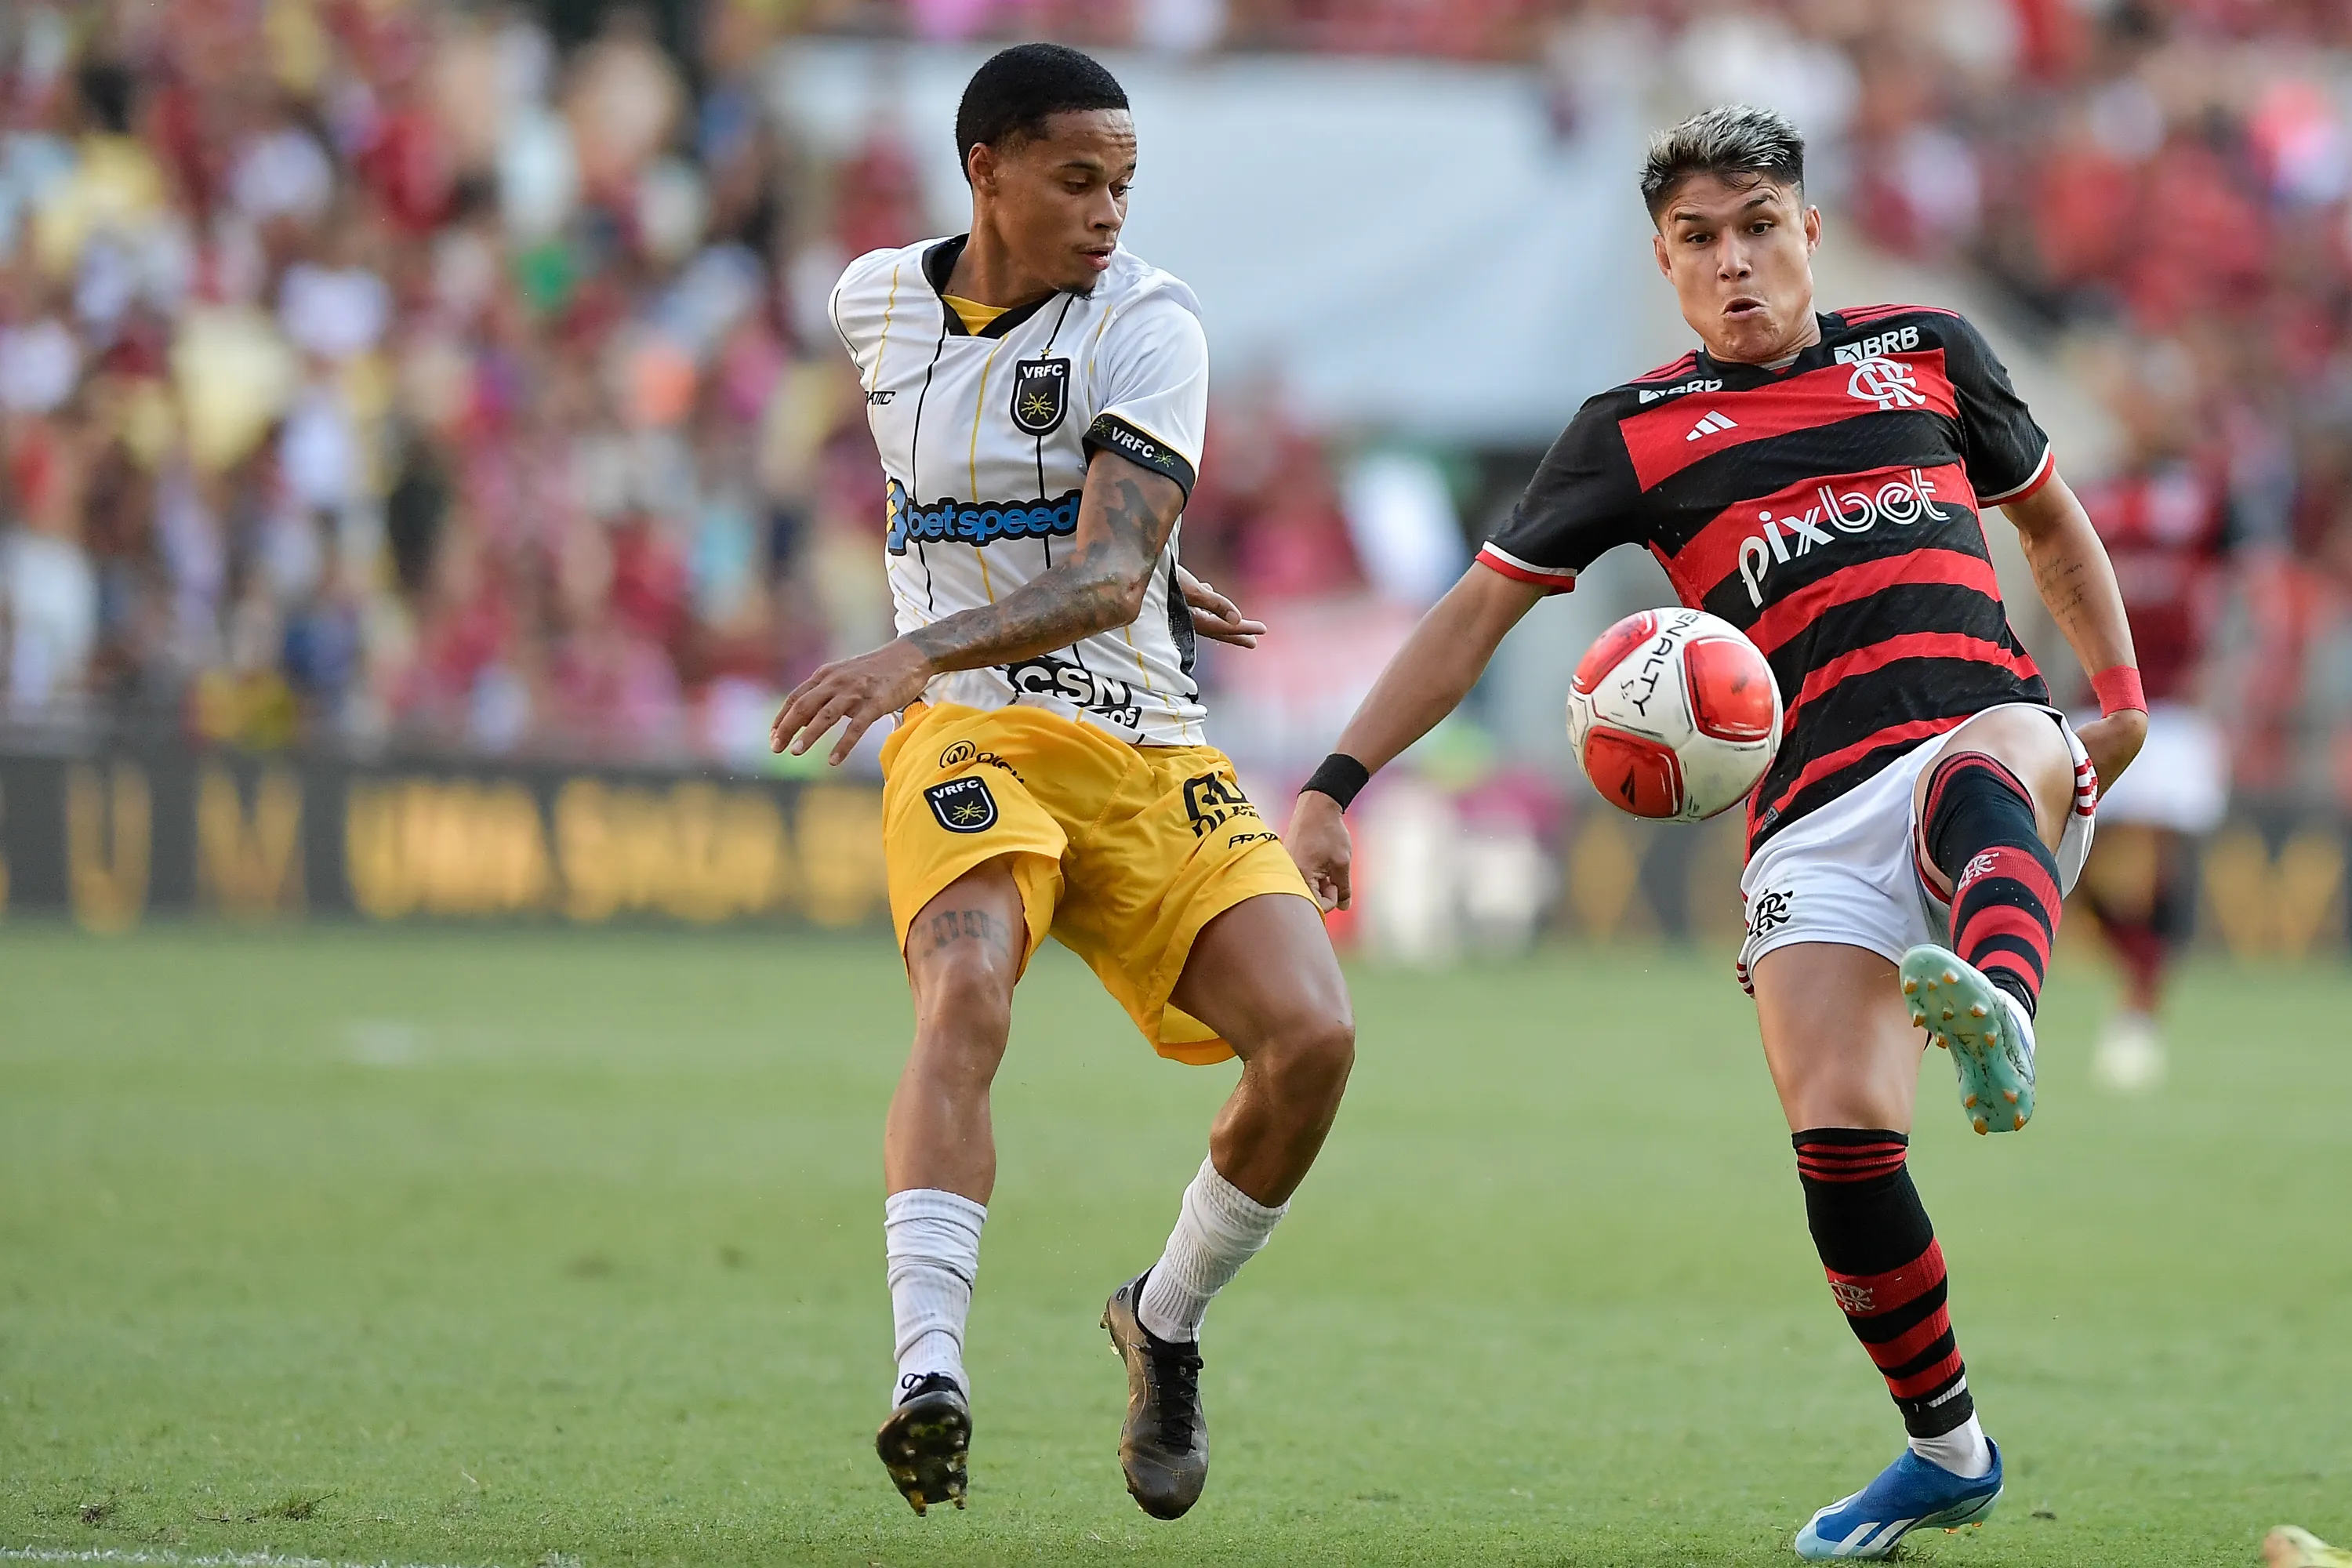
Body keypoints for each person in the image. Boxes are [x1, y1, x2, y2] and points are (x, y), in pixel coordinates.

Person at [1283, 105, 2147, 1562]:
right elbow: (1473, 616)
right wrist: (1331, 780)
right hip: (1807, 804)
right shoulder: (1626, 435)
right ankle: (1949, 1451)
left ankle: (2002, 999)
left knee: (1975, 777)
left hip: (1979, 732)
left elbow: (2053, 524)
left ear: (1810, 232)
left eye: (1758, 228)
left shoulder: (1931, 349)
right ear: (1665, 262)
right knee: (1842, 1146)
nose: (1734, 262)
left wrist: (2117, 704)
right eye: (1698, 241)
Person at [769, 42, 1353, 1523]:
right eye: (1079, 179)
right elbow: (986, 486)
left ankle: (1162, 1319)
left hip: (1146, 735)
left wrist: (1125, 568)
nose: (1109, 212)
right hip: (973, 732)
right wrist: (960, 656)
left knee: (1312, 1039)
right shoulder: (872, 302)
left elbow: (1100, 569)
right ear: (987, 171)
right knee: (965, 992)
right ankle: (927, 1376)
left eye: (1125, 183)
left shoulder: (1154, 321)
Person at [2072, 388, 2241, 1092]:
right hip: (2105, 695)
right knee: (2064, 855)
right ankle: (2139, 974)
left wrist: (2231, 670)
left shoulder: (2204, 497)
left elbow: (2238, 588)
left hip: (2175, 703)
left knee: (2165, 856)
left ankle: (2141, 1006)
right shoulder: (2094, 494)